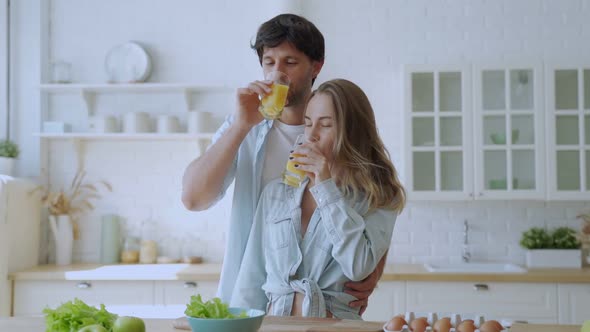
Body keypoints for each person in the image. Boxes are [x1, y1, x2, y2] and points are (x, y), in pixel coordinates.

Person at [181, 14, 384, 314]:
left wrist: (376, 267)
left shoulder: (339, 130)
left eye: (290, 62)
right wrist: (240, 126)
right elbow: (193, 198)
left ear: (316, 67)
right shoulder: (243, 124)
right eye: (269, 62)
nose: (277, 73)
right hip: (248, 296)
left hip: (320, 307)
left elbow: (375, 199)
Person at [230, 79, 406, 319]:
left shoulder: (380, 196)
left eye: (325, 125)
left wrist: (324, 186)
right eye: (308, 123)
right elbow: (250, 280)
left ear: (352, 132)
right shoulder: (276, 193)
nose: (310, 136)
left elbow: (358, 267)